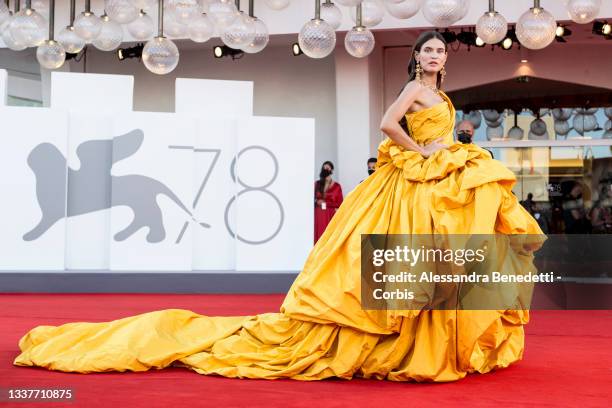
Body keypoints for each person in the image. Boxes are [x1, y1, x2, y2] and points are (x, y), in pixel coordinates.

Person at [13, 31, 545, 382]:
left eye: (439, 53)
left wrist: (445, 149)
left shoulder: (441, 94)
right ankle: (405, 335)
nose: (433, 57)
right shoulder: (411, 88)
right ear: (417, 59)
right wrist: (422, 150)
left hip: (437, 177)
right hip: (415, 176)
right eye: (427, 51)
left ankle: (427, 333)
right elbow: (387, 125)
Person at [314, 161, 343, 244]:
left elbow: (340, 204)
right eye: (324, 168)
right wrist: (317, 201)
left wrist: (326, 204)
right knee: (318, 237)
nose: (325, 169)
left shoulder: (337, 186)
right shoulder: (317, 184)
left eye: (328, 167)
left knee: (329, 238)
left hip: (330, 215)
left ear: (332, 170)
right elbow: (311, 199)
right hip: (318, 214)